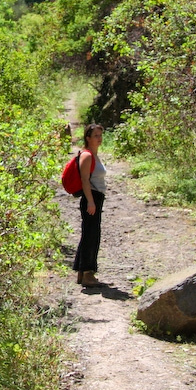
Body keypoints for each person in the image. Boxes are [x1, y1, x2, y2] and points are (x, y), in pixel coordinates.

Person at [73, 123, 108, 288]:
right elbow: (85, 180)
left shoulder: (93, 154)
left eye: (100, 135)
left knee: (90, 234)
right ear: (88, 138)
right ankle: (88, 273)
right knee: (91, 235)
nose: (99, 139)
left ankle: (82, 271)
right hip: (91, 197)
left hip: (95, 197)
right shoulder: (87, 156)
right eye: (95, 136)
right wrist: (91, 201)